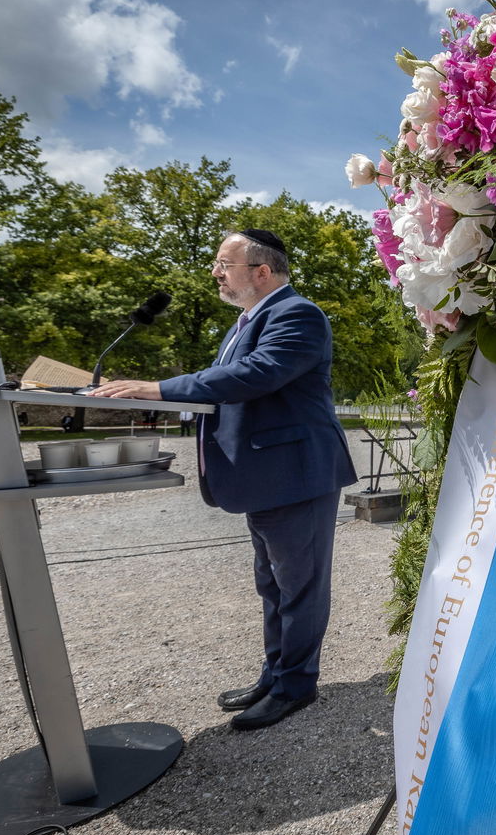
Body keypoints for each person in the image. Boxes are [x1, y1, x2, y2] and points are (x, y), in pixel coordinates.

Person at [90, 228, 356, 731]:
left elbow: (257, 374)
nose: (215, 272)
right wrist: (155, 401)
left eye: (224, 263)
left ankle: (296, 685)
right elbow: (226, 392)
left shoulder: (298, 314)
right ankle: (274, 674)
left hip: (297, 475)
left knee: (299, 587)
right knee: (272, 584)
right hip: (266, 476)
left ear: (262, 271)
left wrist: (160, 388)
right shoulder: (245, 321)